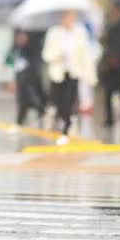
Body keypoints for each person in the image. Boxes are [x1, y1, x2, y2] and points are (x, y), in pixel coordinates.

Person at [42, 10, 97, 145]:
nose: (69, 19)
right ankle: (56, 120)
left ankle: (66, 130)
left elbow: (86, 54)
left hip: (74, 72)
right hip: (58, 73)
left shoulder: (80, 32)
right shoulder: (54, 32)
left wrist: (89, 74)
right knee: (57, 102)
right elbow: (46, 54)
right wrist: (58, 55)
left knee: (70, 101)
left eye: (72, 16)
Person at [7, 30, 45, 132]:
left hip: (31, 78)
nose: (19, 38)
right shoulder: (17, 47)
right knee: (23, 101)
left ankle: (42, 113)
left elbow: (36, 62)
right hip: (20, 78)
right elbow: (12, 58)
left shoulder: (33, 47)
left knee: (33, 100)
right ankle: (19, 122)